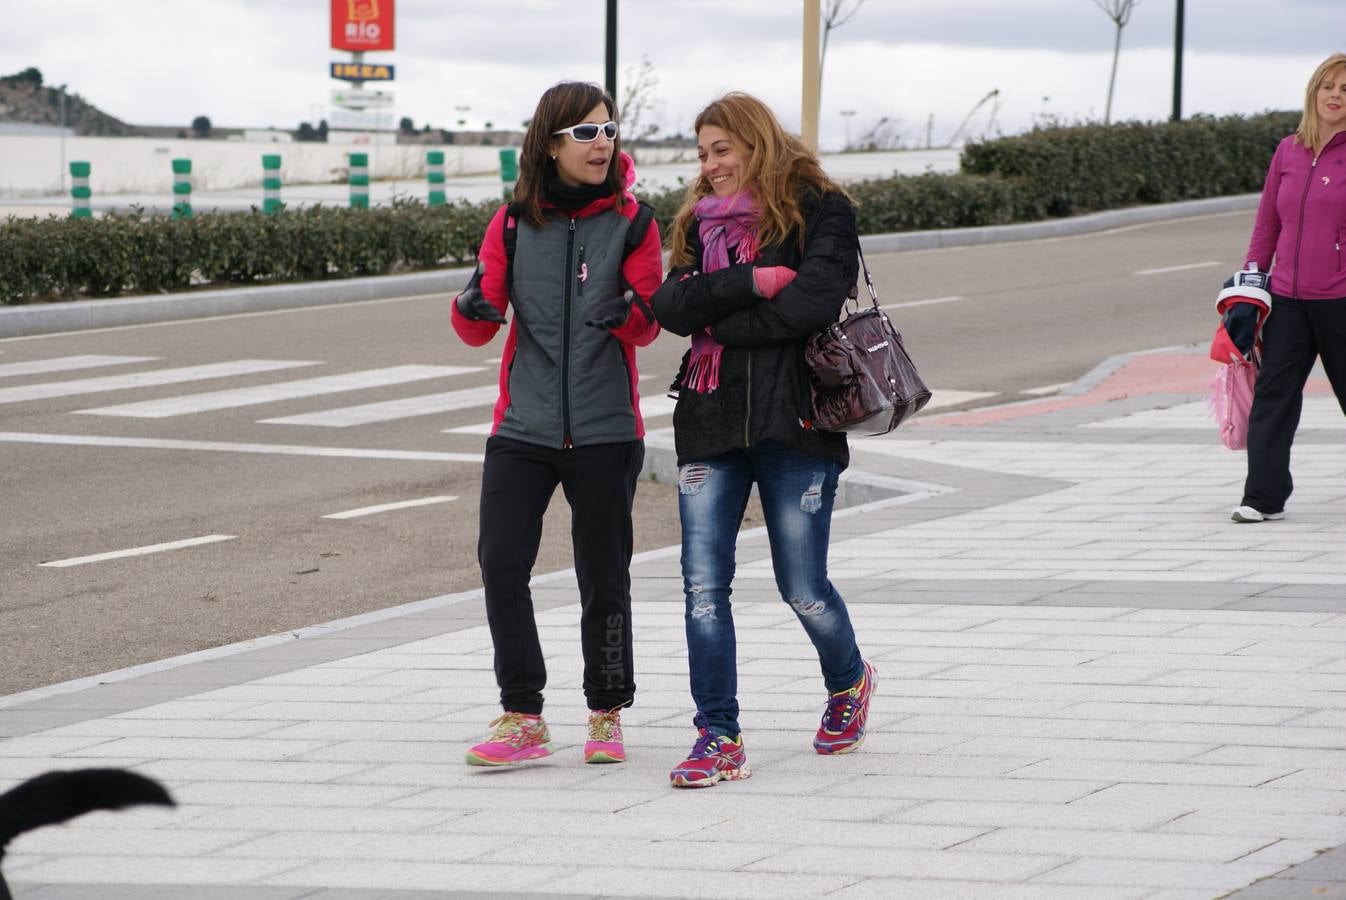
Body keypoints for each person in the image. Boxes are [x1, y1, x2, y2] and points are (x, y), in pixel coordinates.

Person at [650, 92, 875, 788]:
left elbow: (810, 305)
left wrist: (721, 321)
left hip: (797, 423)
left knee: (802, 587)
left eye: (722, 149)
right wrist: (751, 280)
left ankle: (849, 681)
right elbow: (671, 307)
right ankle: (718, 736)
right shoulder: (694, 222)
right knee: (702, 588)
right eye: (702, 153)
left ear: (756, 143)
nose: (711, 165)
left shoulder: (820, 209)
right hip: (710, 420)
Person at [452, 81, 662, 765]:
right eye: (585, 133)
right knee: (501, 561)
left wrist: (626, 316)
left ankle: (606, 712)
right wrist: (472, 310)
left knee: (603, 573)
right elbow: (478, 322)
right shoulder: (510, 223)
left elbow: (651, 320)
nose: (602, 142)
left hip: (605, 427)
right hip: (523, 424)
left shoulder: (634, 222)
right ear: (550, 142)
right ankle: (523, 715)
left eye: (608, 130)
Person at [1233, 52, 1346, 523]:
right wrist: (1249, 287)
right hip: (1286, 300)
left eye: (1345, 90)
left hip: (1341, 300)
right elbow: (1267, 227)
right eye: (1328, 87)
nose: (1335, 97)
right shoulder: (1288, 150)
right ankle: (1262, 497)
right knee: (1273, 399)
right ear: (1313, 92)